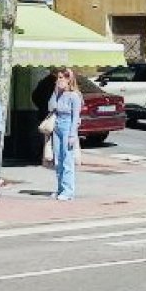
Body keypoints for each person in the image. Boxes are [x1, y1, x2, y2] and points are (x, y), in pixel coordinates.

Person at [47, 68, 83, 201]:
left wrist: (72, 135)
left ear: (69, 79)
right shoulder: (58, 94)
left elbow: (75, 117)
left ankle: (68, 191)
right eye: (58, 78)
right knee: (58, 159)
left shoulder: (74, 96)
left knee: (67, 159)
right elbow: (51, 107)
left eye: (61, 78)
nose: (59, 80)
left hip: (68, 126)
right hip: (57, 126)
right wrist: (55, 91)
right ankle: (60, 188)